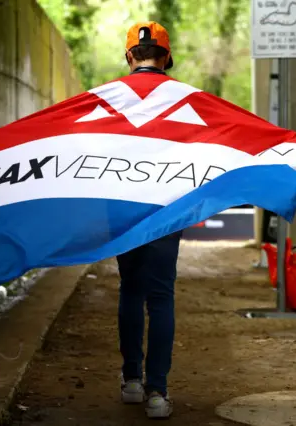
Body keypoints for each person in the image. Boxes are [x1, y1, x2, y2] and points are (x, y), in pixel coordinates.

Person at [117, 21, 180, 419]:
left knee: (130, 291)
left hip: (121, 204)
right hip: (166, 204)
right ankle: (157, 392)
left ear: (129, 56)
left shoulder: (110, 98)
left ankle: (131, 382)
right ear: (167, 58)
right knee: (160, 297)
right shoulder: (182, 98)